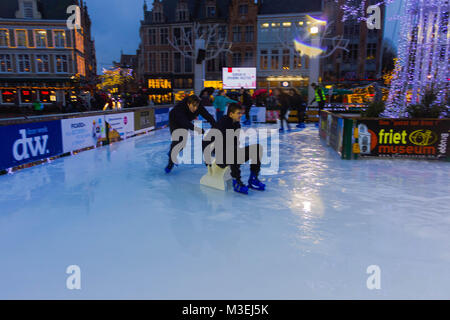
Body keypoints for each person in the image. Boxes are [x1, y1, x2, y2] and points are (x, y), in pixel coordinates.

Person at [203, 103, 266, 195]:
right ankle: (236, 181)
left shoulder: (236, 124)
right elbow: (206, 141)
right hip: (218, 158)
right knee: (233, 151)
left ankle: (253, 179)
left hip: (230, 153)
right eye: (238, 113)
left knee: (257, 148)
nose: (241, 115)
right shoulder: (222, 123)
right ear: (231, 114)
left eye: (241, 113)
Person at [165, 95, 216, 173]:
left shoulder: (198, 106)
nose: (195, 108)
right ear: (188, 104)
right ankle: (170, 164)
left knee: (182, 144)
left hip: (186, 119)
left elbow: (208, 116)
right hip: (175, 120)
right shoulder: (179, 110)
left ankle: (172, 152)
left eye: (197, 106)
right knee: (178, 140)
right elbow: (185, 123)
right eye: (193, 106)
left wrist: (215, 126)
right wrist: (198, 129)